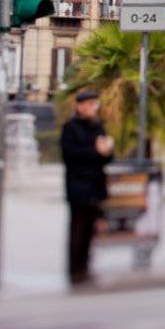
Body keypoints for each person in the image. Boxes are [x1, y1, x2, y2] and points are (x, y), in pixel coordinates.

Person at [60, 90, 113, 287]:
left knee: (91, 230)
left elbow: (106, 157)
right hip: (78, 186)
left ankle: (86, 269)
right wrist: (95, 151)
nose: (93, 108)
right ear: (79, 106)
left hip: (96, 184)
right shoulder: (70, 127)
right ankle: (75, 271)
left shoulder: (98, 126)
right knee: (78, 230)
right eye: (90, 104)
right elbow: (70, 155)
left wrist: (107, 151)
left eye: (95, 104)